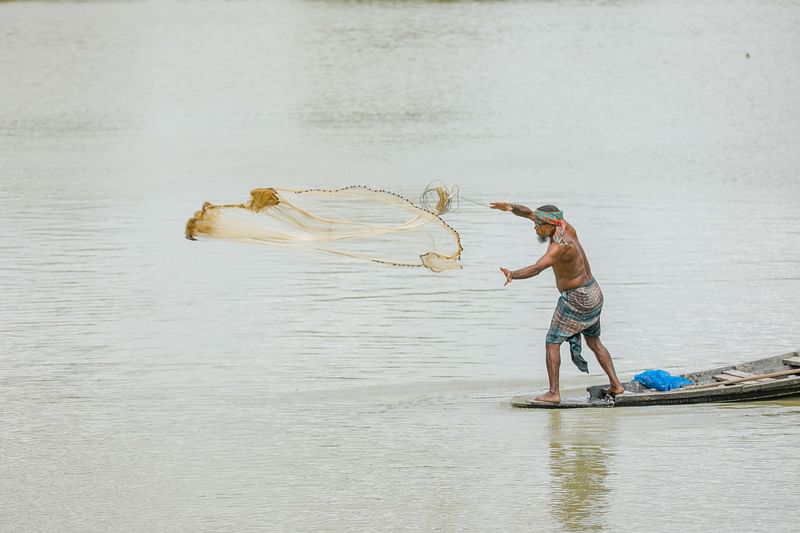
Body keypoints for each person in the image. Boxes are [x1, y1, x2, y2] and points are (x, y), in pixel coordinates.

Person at [490, 202, 624, 404]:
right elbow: (528, 213)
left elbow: (536, 268)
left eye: (538, 226)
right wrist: (509, 208)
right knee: (594, 342)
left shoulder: (559, 246)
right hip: (594, 292)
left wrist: (512, 274)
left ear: (550, 225)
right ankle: (616, 385)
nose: (535, 228)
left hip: (578, 298)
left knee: (552, 342)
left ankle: (554, 393)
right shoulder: (565, 226)